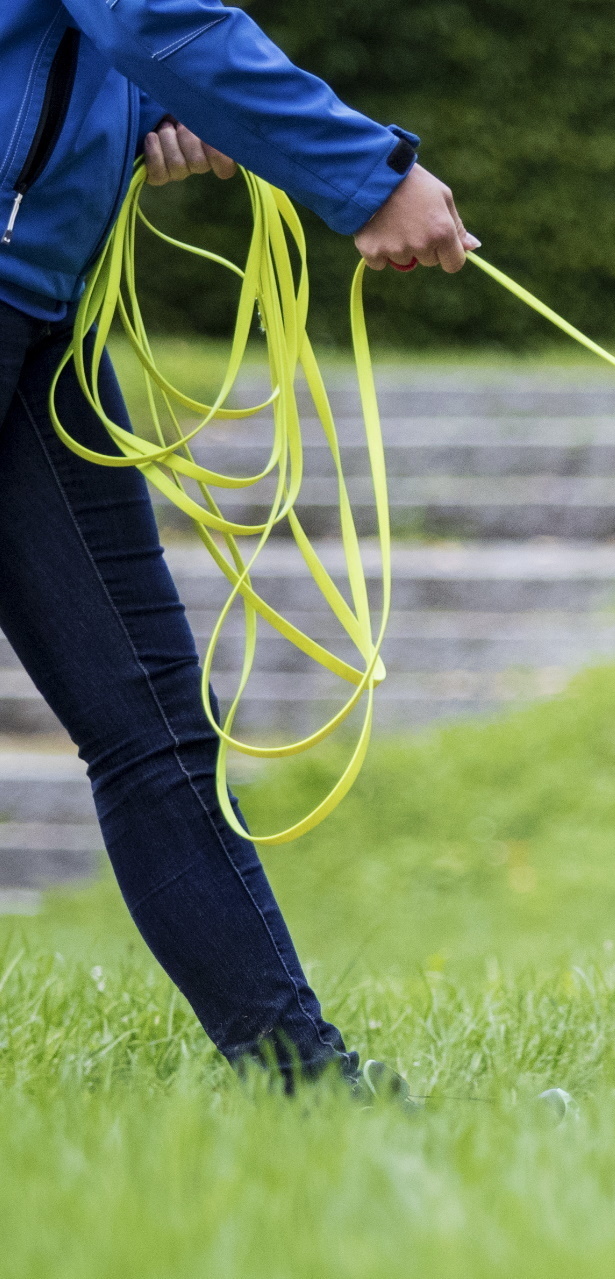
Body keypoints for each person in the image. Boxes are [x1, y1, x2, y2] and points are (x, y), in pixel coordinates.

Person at [1, 0, 478, 1091]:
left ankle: (311, 1089)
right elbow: (153, 17)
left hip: (38, 314)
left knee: (157, 729)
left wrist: (137, 119)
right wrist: (373, 176)